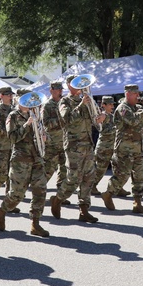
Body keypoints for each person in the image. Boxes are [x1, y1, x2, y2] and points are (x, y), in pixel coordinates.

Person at [0, 91, 52, 236]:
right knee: (16, 195)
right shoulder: (13, 116)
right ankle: (2, 210)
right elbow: (12, 138)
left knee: (40, 190)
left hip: (37, 158)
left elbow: (44, 133)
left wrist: (46, 137)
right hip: (21, 159)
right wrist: (27, 125)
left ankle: (35, 223)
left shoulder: (36, 114)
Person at [52, 76, 103, 220]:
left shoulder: (88, 100)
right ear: (68, 86)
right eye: (75, 84)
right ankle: (58, 199)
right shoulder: (65, 101)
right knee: (73, 177)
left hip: (87, 144)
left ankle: (84, 210)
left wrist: (100, 118)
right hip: (74, 145)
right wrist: (81, 105)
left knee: (89, 177)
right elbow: (67, 119)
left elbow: (96, 122)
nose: (79, 87)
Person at [103, 84, 143, 214]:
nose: (138, 96)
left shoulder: (138, 108)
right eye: (135, 94)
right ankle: (108, 193)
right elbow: (133, 121)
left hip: (138, 148)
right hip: (124, 148)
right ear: (128, 94)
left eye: (138, 93)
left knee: (139, 177)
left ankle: (137, 203)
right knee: (122, 176)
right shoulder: (123, 108)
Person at [41, 81, 68, 197]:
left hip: (64, 142)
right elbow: (46, 123)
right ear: (51, 91)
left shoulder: (64, 103)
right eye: (57, 90)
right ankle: (39, 192)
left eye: (61, 90)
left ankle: (60, 195)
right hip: (52, 143)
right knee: (48, 170)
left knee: (64, 171)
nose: (60, 92)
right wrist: (61, 119)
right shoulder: (47, 105)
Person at [91, 96, 116, 195]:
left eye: (112, 104)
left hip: (113, 146)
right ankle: (92, 186)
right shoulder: (103, 116)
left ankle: (117, 187)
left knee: (119, 169)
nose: (112, 106)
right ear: (103, 105)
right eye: (109, 104)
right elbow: (100, 127)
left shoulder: (111, 116)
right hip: (104, 147)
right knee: (100, 169)